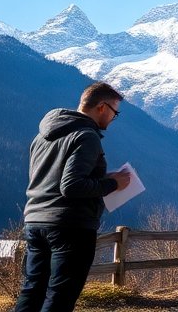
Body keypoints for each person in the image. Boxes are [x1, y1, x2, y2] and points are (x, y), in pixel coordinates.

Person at [14, 82, 132, 312]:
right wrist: (113, 183)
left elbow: (52, 178)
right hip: (70, 226)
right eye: (114, 112)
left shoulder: (42, 136)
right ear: (101, 107)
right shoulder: (87, 136)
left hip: (35, 221)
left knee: (32, 290)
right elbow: (71, 186)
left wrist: (102, 178)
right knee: (60, 295)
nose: (113, 118)